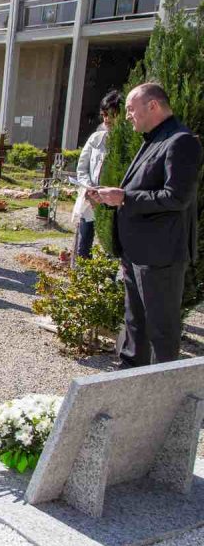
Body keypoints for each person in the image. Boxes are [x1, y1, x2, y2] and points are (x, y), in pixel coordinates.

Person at [89, 83, 203, 367]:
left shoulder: (181, 141)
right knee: (134, 322)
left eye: (130, 108)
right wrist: (112, 196)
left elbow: (176, 197)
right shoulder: (153, 139)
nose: (126, 115)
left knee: (160, 330)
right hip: (136, 251)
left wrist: (125, 197)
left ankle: (163, 394)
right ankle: (128, 380)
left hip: (160, 255)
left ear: (152, 106)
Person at [73, 90, 123, 259]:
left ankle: (107, 281)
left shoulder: (128, 142)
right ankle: (82, 279)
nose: (107, 120)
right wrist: (91, 189)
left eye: (112, 115)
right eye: (104, 115)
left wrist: (107, 195)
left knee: (111, 247)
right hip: (91, 199)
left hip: (113, 203)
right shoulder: (96, 138)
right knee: (84, 244)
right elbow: (82, 168)